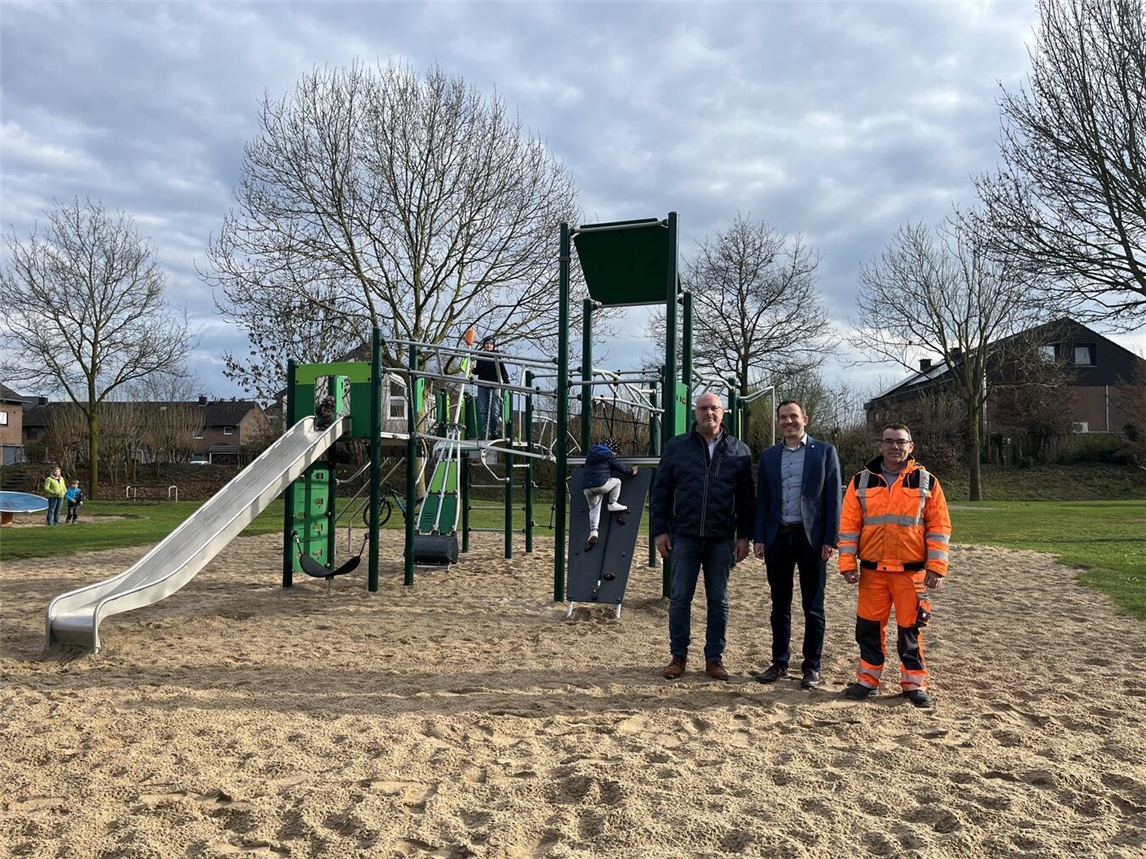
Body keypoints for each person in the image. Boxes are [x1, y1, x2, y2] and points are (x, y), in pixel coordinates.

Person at [838, 423, 951, 709]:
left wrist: (936, 567)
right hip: (872, 572)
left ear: (910, 446)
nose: (894, 447)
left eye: (900, 441)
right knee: (868, 629)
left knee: (910, 630)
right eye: (888, 441)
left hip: (911, 573)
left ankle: (914, 684)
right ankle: (867, 680)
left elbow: (938, 527)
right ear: (880, 445)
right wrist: (847, 563)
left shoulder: (927, 481)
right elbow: (849, 527)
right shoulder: (860, 481)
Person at [650, 392, 755, 682]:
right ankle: (678, 656)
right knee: (680, 598)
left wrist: (744, 535)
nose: (709, 413)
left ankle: (714, 659)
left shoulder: (739, 451)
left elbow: (747, 499)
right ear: (695, 413)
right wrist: (659, 531)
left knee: (718, 600)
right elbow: (661, 492)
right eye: (704, 408)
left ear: (724, 413)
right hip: (684, 535)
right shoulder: (677, 447)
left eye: (714, 409)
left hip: (721, 537)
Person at [752, 400, 842, 690]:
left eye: (793, 416)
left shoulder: (825, 452)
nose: (788, 421)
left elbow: (832, 499)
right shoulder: (768, 456)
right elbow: (762, 499)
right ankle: (779, 662)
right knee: (780, 605)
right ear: (778, 422)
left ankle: (811, 666)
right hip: (778, 536)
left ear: (805, 418)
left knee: (813, 605)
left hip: (811, 539)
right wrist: (760, 537)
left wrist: (831, 538)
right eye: (783, 418)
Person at [581, 437, 638, 547]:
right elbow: (619, 466)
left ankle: (594, 531)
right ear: (612, 450)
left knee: (593, 509)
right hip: (601, 484)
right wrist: (631, 471)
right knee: (617, 482)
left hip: (586, 487)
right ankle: (612, 503)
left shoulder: (591, 453)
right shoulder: (608, 454)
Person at [473, 336, 510, 439]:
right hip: (482, 385)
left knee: (494, 410)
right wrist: (472, 369)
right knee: (483, 410)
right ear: (484, 345)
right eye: (487, 343)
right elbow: (479, 369)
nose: (488, 345)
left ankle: (494, 432)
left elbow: (502, 368)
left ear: (493, 346)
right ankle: (485, 432)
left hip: (494, 385)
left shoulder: (496, 355)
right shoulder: (481, 355)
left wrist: (506, 380)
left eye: (490, 344)